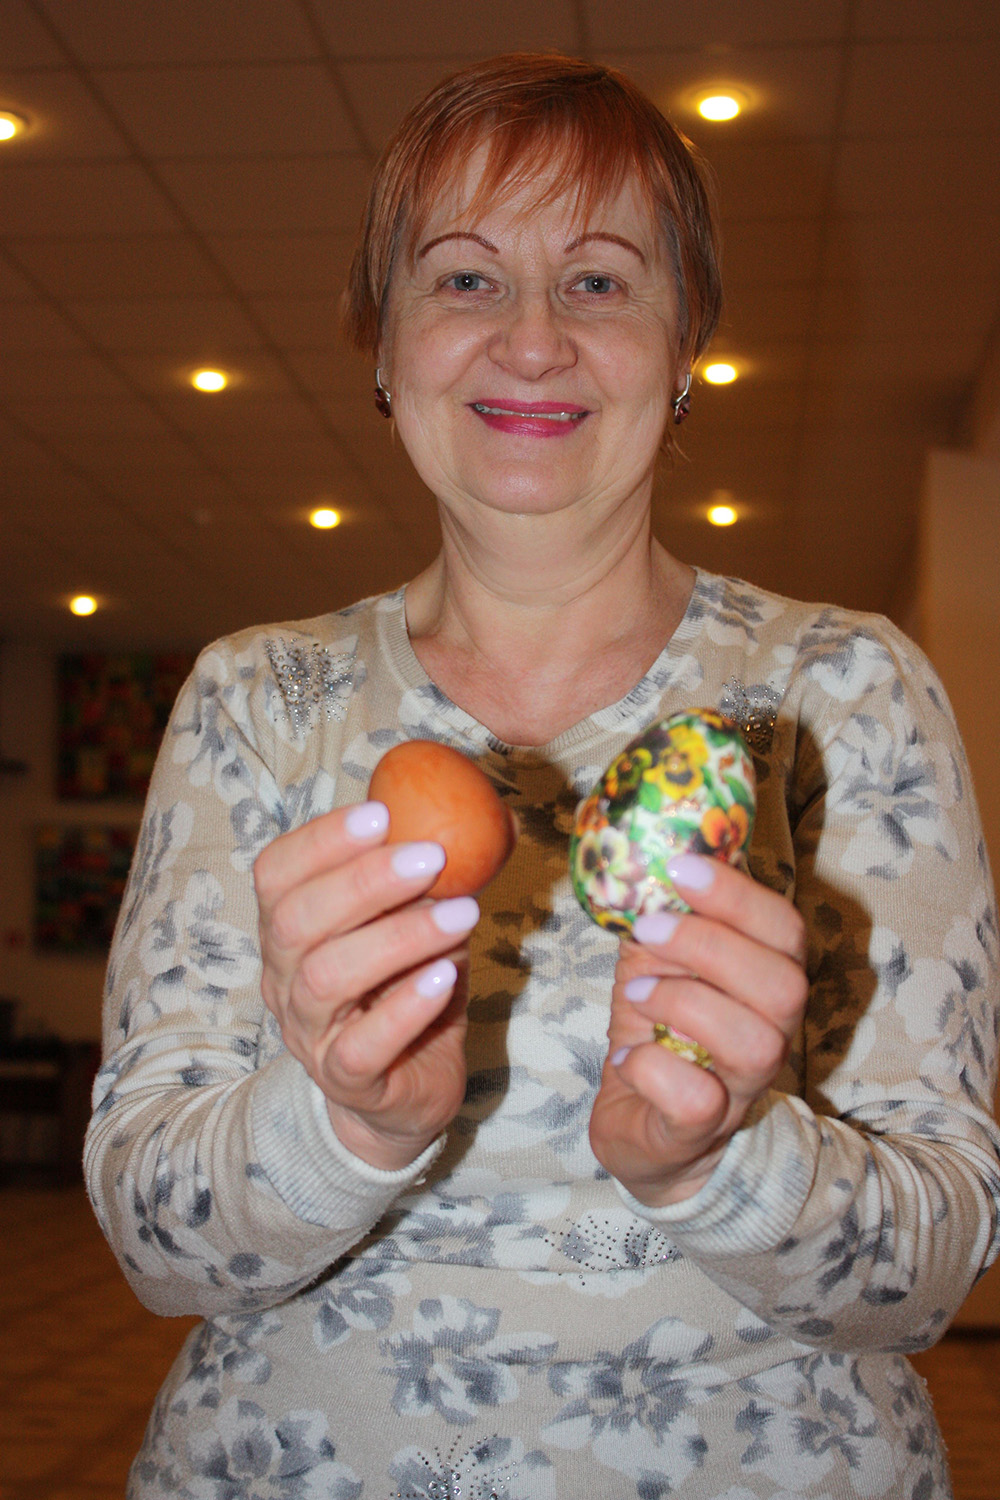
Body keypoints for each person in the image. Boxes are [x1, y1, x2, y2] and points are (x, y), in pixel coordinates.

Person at [86, 53, 1000, 1500]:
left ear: (685, 341)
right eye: (464, 279)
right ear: (384, 343)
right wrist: (345, 1126)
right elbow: (157, 1248)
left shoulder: (841, 692)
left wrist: (716, 1162)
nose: (530, 339)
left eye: (598, 282)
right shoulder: (255, 701)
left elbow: (935, 1267)